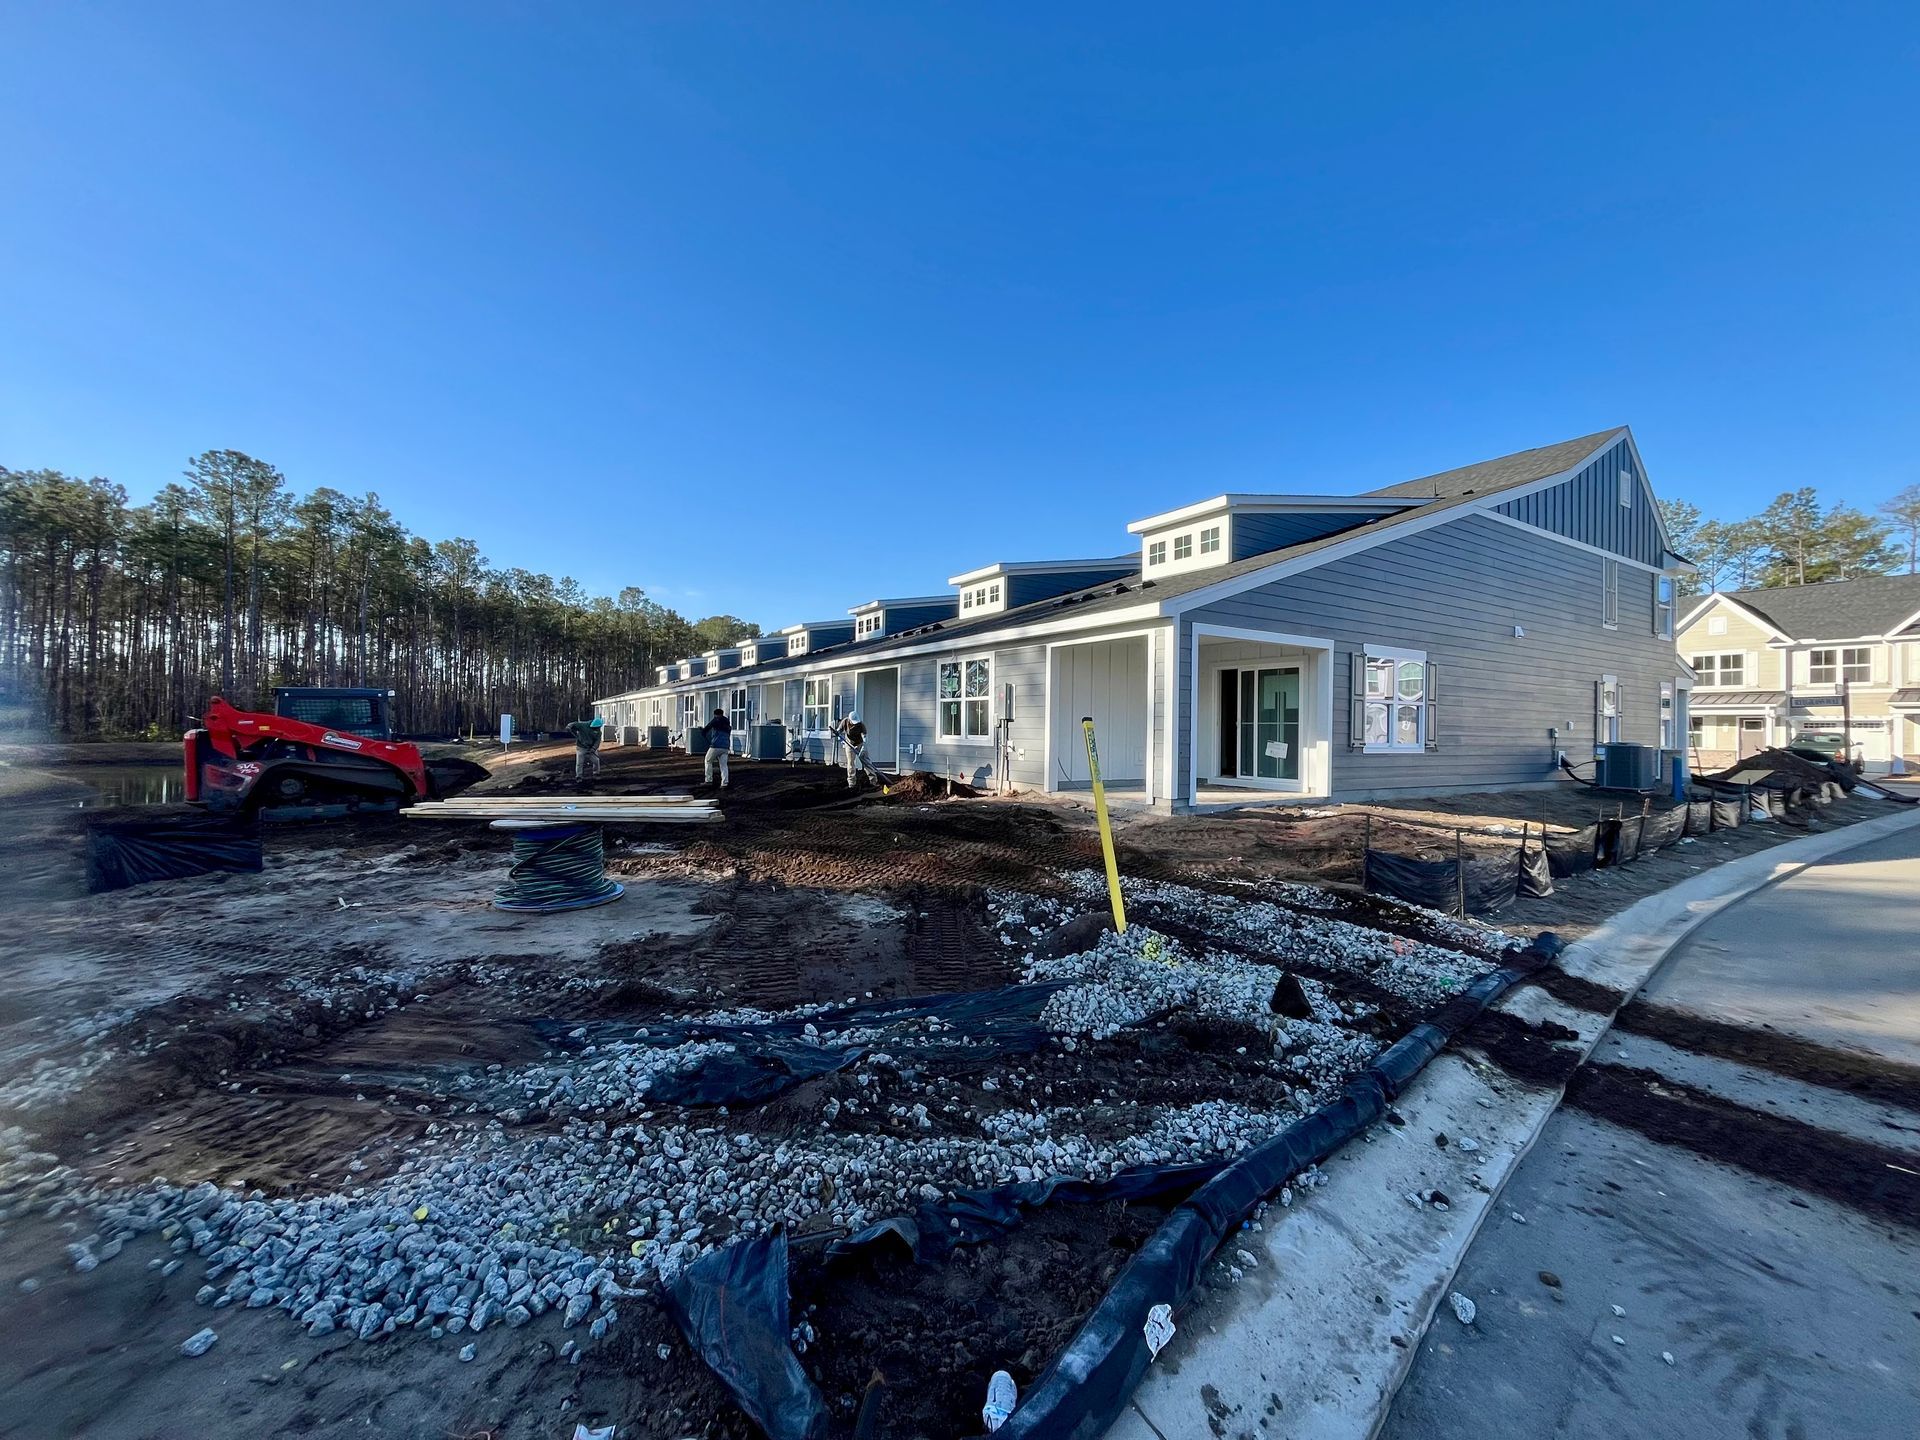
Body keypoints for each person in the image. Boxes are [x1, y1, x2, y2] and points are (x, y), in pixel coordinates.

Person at [834, 709, 868, 789]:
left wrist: (863, 747)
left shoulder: (861, 724)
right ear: (850, 720)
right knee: (850, 763)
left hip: (859, 743)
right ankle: (852, 783)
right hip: (849, 744)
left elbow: (864, 736)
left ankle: (873, 780)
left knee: (866, 761)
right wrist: (837, 732)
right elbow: (839, 730)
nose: (855, 723)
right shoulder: (845, 722)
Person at [704, 707, 732, 789]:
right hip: (726, 747)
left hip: (716, 746)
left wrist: (703, 731)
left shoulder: (716, 720)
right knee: (723, 765)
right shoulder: (727, 723)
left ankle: (708, 780)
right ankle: (725, 783)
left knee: (708, 760)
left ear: (715, 715)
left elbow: (708, 727)